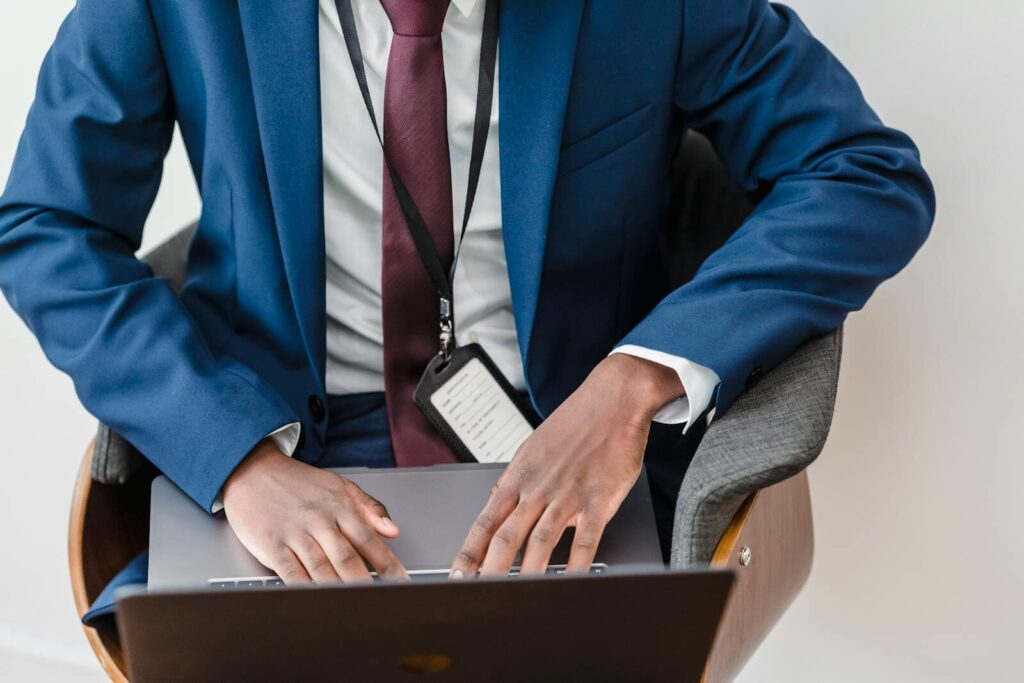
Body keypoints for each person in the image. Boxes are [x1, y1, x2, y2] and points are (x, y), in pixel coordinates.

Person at [0, 0, 933, 585]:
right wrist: (238, 459)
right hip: (285, 445)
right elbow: (45, 227)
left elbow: (864, 174)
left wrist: (632, 383)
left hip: (567, 445)